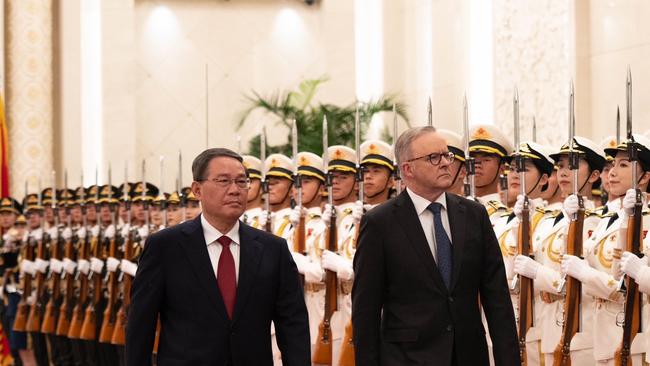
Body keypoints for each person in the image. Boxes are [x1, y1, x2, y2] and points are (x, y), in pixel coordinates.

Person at [125, 147, 310, 366]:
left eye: (242, 182)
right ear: (197, 189)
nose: (235, 190)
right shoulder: (165, 247)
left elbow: (293, 324)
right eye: (223, 181)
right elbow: (141, 325)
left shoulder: (273, 249)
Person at [352, 126, 519, 365]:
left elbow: (497, 298)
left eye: (447, 155)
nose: (445, 163)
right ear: (408, 169)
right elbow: (365, 309)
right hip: (407, 357)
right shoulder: (380, 223)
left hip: (468, 355)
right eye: (433, 157)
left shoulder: (473, 215)